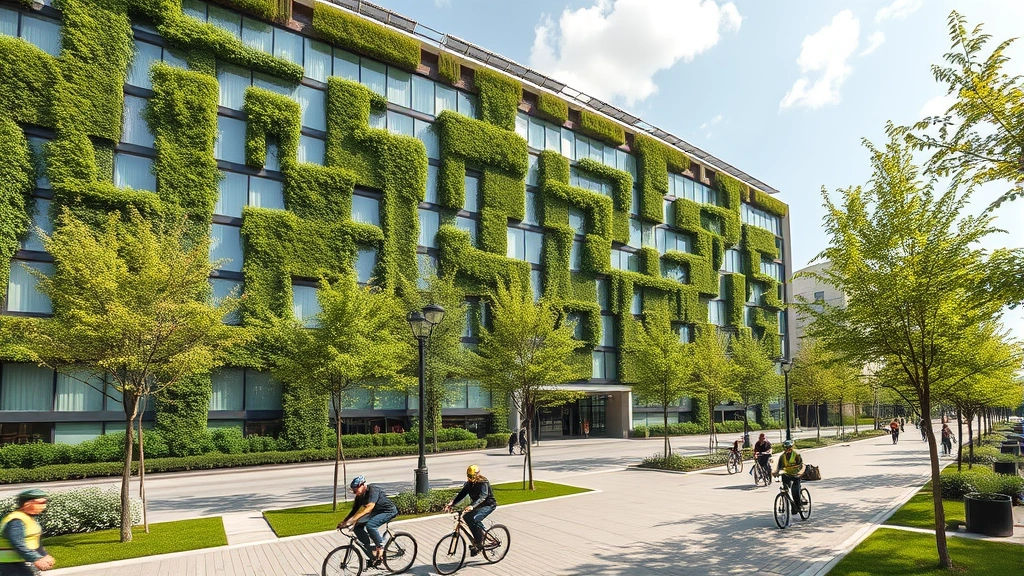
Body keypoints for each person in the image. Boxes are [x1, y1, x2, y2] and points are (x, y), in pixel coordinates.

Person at [337, 476, 398, 567]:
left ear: (362, 485)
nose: (354, 492)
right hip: (376, 512)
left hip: (388, 511)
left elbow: (368, 508)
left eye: (355, 489)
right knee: (357, 527)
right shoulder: (359, 496)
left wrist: (353, 520)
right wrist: (344, 522)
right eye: (353, 490)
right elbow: (354, 510)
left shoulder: (373, 491)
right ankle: (370, 549)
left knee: (371, 525)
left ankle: (380, 546)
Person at [444, 465, 497, 557]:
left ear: (477, 475)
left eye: (472, 476)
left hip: (488, 505)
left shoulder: (483, 482)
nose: (470, 478)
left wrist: (472, 506)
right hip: (477, 506)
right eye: (468, 475)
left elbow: (483, 497)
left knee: (475, 519)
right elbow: (462, 494)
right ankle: (477, 539)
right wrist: (452, 503)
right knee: (466, 517)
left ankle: (479, 544)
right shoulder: (469, 484)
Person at [0, 488, 54, 575]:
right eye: (41, 503)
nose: (44, 506)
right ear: (27, 504)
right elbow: (18, 544)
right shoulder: (16, 520)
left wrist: (43, 554)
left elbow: (34, 540)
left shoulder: (28, 518)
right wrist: (36, 559)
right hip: (9, 564)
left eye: (45, 503)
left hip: (21, 561)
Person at [773, 440, 805, 511]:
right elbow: (779, 467)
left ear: (792, 447)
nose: (788, 449)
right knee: (785, 488)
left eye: (789, 448)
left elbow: (801, 465)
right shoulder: (782, 456)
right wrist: (776, 473)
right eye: (786, 448)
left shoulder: (796, 454)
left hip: (795, 475)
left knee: (795, 490)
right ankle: (790, 503)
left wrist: (800, 472)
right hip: (786, 474)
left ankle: (798, 505)